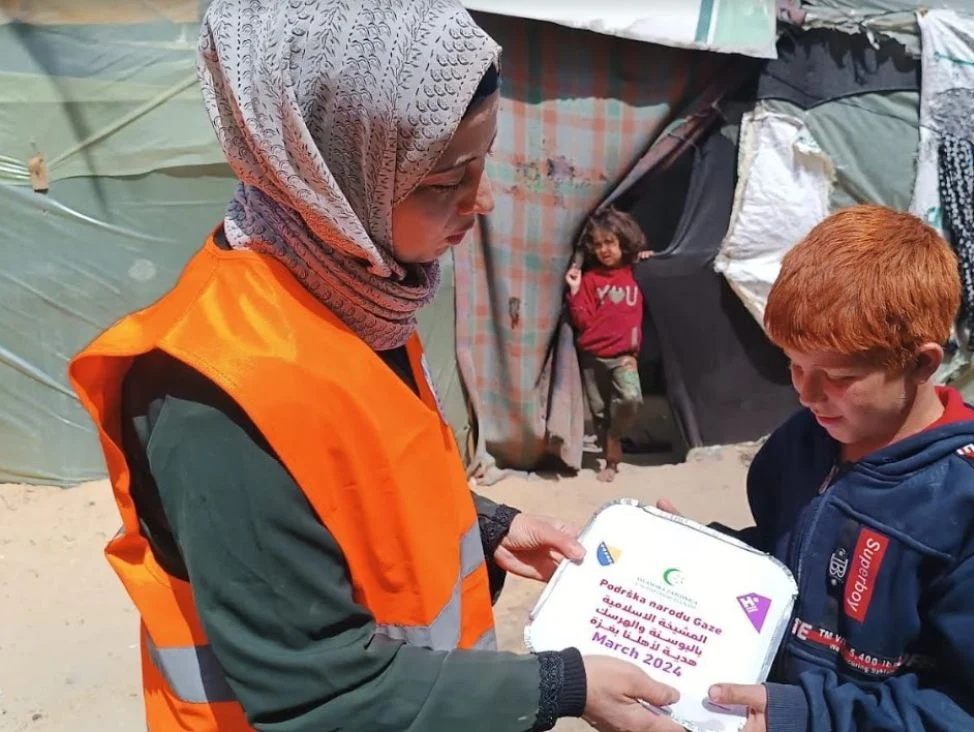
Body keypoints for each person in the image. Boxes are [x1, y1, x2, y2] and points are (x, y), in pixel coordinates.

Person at [67, 2, 683, 731]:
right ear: (321, 172)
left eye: (482, 162)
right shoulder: (216, 394)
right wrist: (558, 688)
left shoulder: (357, 293)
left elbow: (358, 491)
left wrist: (488, 527)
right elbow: (318, 696)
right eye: (442, 180)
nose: (479, 202)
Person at [660, 205, 974, 731]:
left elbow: (970, 714)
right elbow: (789, 556)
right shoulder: (804, 440)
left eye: (837, 376)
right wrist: (705, 557)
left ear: (921, 363)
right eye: (794, 364)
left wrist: (806, 717)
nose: (807, 393)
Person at [565, 207, 652, 482]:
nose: (604, 250)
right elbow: (581, 319)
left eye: (610, 242)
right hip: (592, 356)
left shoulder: (636, 272)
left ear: (623, 242)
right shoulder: (591, 280)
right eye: (599, 244)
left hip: (624, 356)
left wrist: (650, 260)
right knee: (600, 411)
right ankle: (611, 462)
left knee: (630, 397)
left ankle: (615, 438)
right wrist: (576, 289)